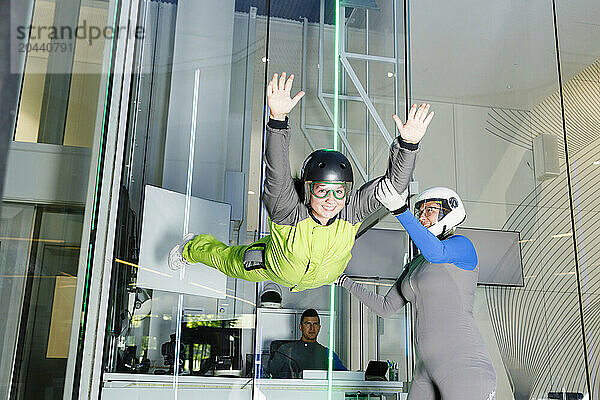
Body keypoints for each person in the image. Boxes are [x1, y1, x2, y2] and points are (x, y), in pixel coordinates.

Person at [168, 71, 434, 291]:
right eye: (322, 191)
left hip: (322, 277)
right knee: (227, 261)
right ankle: (190, 247)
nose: (332, 201)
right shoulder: (289, 211)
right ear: (308, 191)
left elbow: (393, 190)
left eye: (339, 192)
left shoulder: (350, 213)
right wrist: (277, 120)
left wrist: (408, 146)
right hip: (272, 266)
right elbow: (277, 172)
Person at [337, 179, 497, 400]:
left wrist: (401, 211)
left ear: (451, 212)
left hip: (465, 366)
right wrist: (344, 281)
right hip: (426, 369)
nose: (422, 216)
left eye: (430, 210)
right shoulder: (416, 264)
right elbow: (386, 307)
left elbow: (436, 253)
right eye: (419, 210)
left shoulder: (462, 246)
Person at [268, 308, 346, 378]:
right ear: (301, 327)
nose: (312, 328)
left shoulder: (328, 354)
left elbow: (345, 376)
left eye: (315, 324)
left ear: (319, 327)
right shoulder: (285, 350)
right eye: (307, 324)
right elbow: (270, 376)